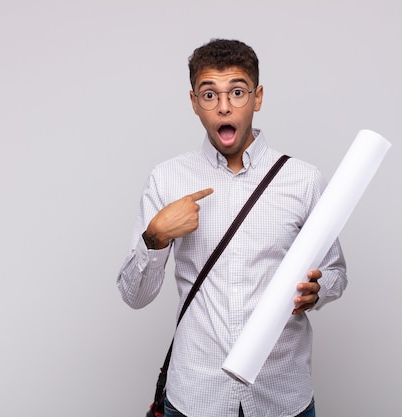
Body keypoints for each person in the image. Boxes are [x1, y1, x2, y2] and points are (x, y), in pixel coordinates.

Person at [117, 38, 347, 417]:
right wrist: (154, 238)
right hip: (196, 395)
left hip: (282, 395)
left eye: (237, 92)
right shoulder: (167, 179)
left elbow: (336, 271)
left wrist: (318, 290)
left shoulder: (303, 180)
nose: (224, 106)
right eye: (210, 95)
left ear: (257, 98)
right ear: (194, 102)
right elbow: (134, 296)